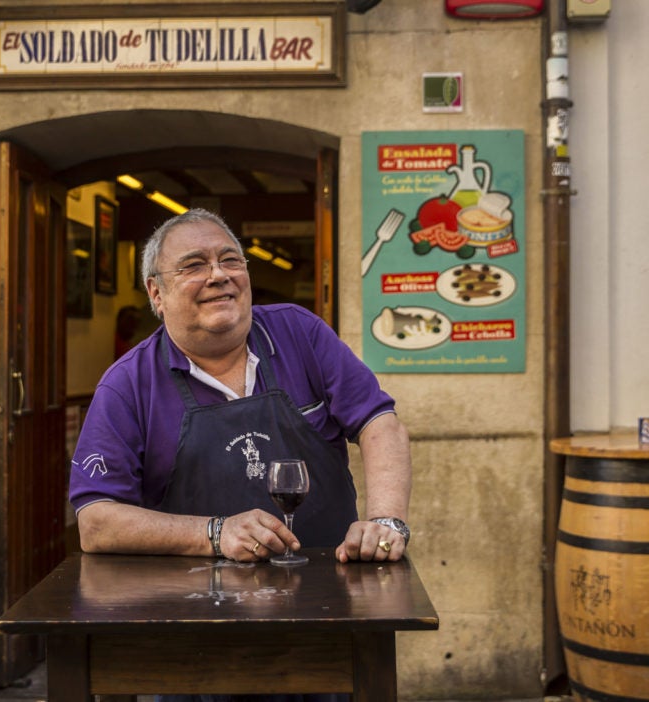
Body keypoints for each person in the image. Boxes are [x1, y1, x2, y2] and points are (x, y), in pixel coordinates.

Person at [69, 209, 413, 702]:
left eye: (231, 260)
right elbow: (96, 522)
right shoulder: (127, 384)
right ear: (156, 294)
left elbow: (381, 424)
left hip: (326, 618)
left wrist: (386, 521)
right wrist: (214, 531)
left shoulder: (300, 334)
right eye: (193, 265)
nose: (218, 274)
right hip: (191, 636)